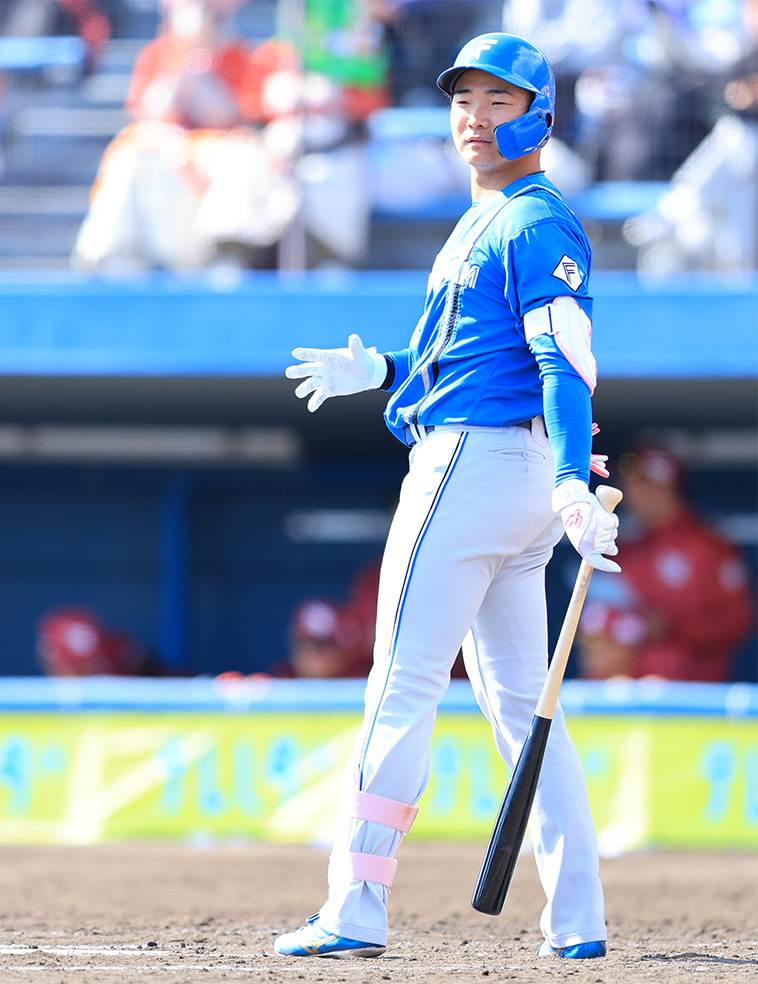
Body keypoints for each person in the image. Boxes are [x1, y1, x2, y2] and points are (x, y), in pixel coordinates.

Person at [276, 33, 619, 962]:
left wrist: (571, 479)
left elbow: (567, 363)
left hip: (473, 467)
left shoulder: (533, 221)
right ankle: (578, 920)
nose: (474, 116)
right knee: (522, 707)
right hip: (510, 474)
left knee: (402, 684)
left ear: (540, 117)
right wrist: (384, 370)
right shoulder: (492, 216)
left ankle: (355, 905)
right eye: (464, 98)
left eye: (498, 101)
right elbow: (471, 353)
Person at [578, 446, 753, 682]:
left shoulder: (709, 548)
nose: (628, 489)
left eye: (638, 482)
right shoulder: (624, 547)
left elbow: (737, 621)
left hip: (687, 689)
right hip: (619, 688)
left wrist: (671, 626)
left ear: (660, 487)